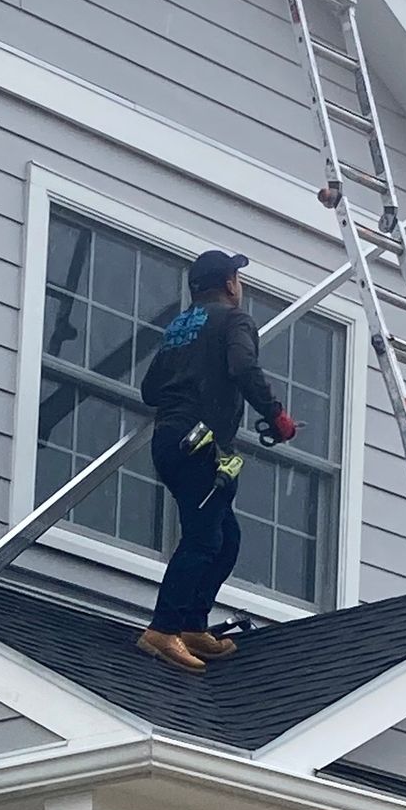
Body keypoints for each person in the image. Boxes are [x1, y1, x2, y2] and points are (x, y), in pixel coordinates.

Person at [135, 247, 295, 672]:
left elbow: (150, 391)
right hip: (198, 446)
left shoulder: (178, 328)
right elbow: (243, 366)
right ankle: (162, 630)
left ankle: (191, 625)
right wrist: (276, 414)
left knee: (226, 539)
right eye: (237, 279)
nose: (240, 285)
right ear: (228, 284)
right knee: (205, 539)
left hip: (170, 442)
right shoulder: (235, 319)